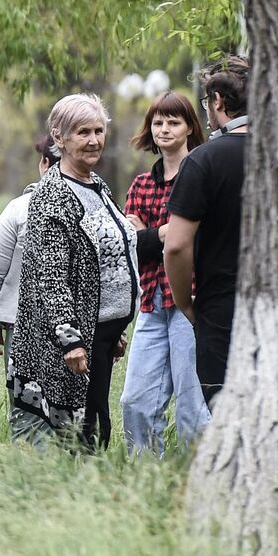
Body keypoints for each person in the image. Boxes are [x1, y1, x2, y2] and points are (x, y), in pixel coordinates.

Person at [7, 95, 138, 449]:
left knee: (95, 423)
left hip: (103, 333)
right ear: (59, 137)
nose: (94, 140)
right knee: (79, 431)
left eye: (99, 130)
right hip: (70, 340)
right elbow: (51, 276)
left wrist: (114, 323)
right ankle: (72, 497)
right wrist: (72, 340)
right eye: (83, 132)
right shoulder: (53, 194)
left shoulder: (98, 185)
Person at [119, 91, 211, 453]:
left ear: (190, 127)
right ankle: (147, 479)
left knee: (193, 405)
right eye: (158, 122)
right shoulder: (141, 184)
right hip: (151, 301)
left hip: (190, 300)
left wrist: (150, 233)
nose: (165, 129)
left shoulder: (202, 172)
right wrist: (161, 233)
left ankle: (199, 478)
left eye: (174, 122)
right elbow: (131, 245)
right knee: (135, 401)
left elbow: (194, 241)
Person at [165, 55, 249, 402]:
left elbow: (176, 246)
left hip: (221, 308)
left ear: (217, 101)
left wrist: (185, 303)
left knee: (226, 409)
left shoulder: (204, 160)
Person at [0, 135, 56, 357]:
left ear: (45, 163)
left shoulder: (20, 209)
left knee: (24, 392)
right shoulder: (95, 205)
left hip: (23, 324)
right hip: (81, 329)